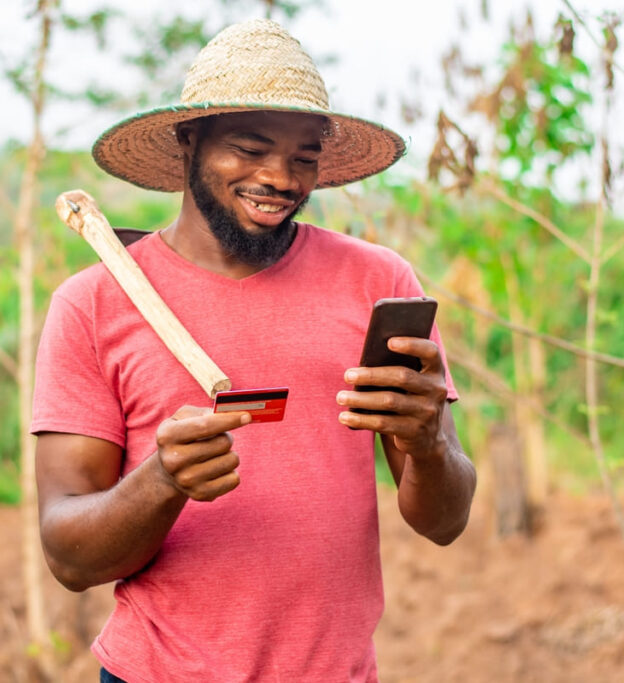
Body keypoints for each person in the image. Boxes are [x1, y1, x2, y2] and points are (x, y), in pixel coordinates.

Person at [31, 19, 476, 683]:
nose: (279, 178)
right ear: (189, 142)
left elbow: (443, 522)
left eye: (303, 156)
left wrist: (431, 444)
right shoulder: (94, 303)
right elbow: (69, 557)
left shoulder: (377, 283)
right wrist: (163, 480)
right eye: (251, 148)